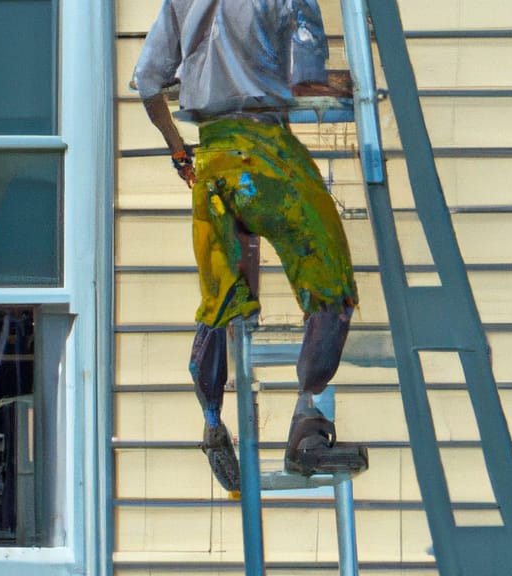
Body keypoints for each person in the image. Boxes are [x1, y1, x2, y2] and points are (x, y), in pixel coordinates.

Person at [132, 0, 366, 492]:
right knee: (332, 282)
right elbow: (306, 77)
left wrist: (180, 150)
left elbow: (149, 82)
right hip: (266, 154)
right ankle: (307, 427)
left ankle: (214, 424)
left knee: (218, 302)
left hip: (212, 164)